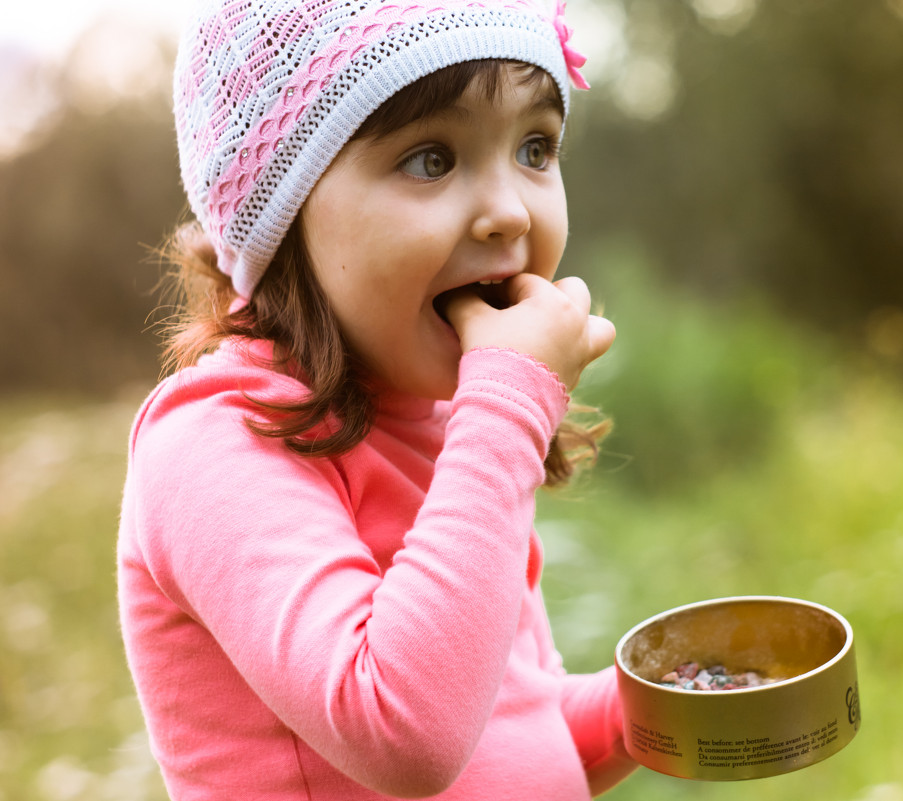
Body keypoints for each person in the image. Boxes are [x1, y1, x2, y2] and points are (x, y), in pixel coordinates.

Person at [116, 0, 635, 798]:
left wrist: (646, 709)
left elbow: (507, 727)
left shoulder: (444, 421)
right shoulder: (217, 439)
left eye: (535, 146)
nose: (509, 211)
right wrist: (506, 412)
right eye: (432, 159)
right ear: (284, 219)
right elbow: (406, 733)